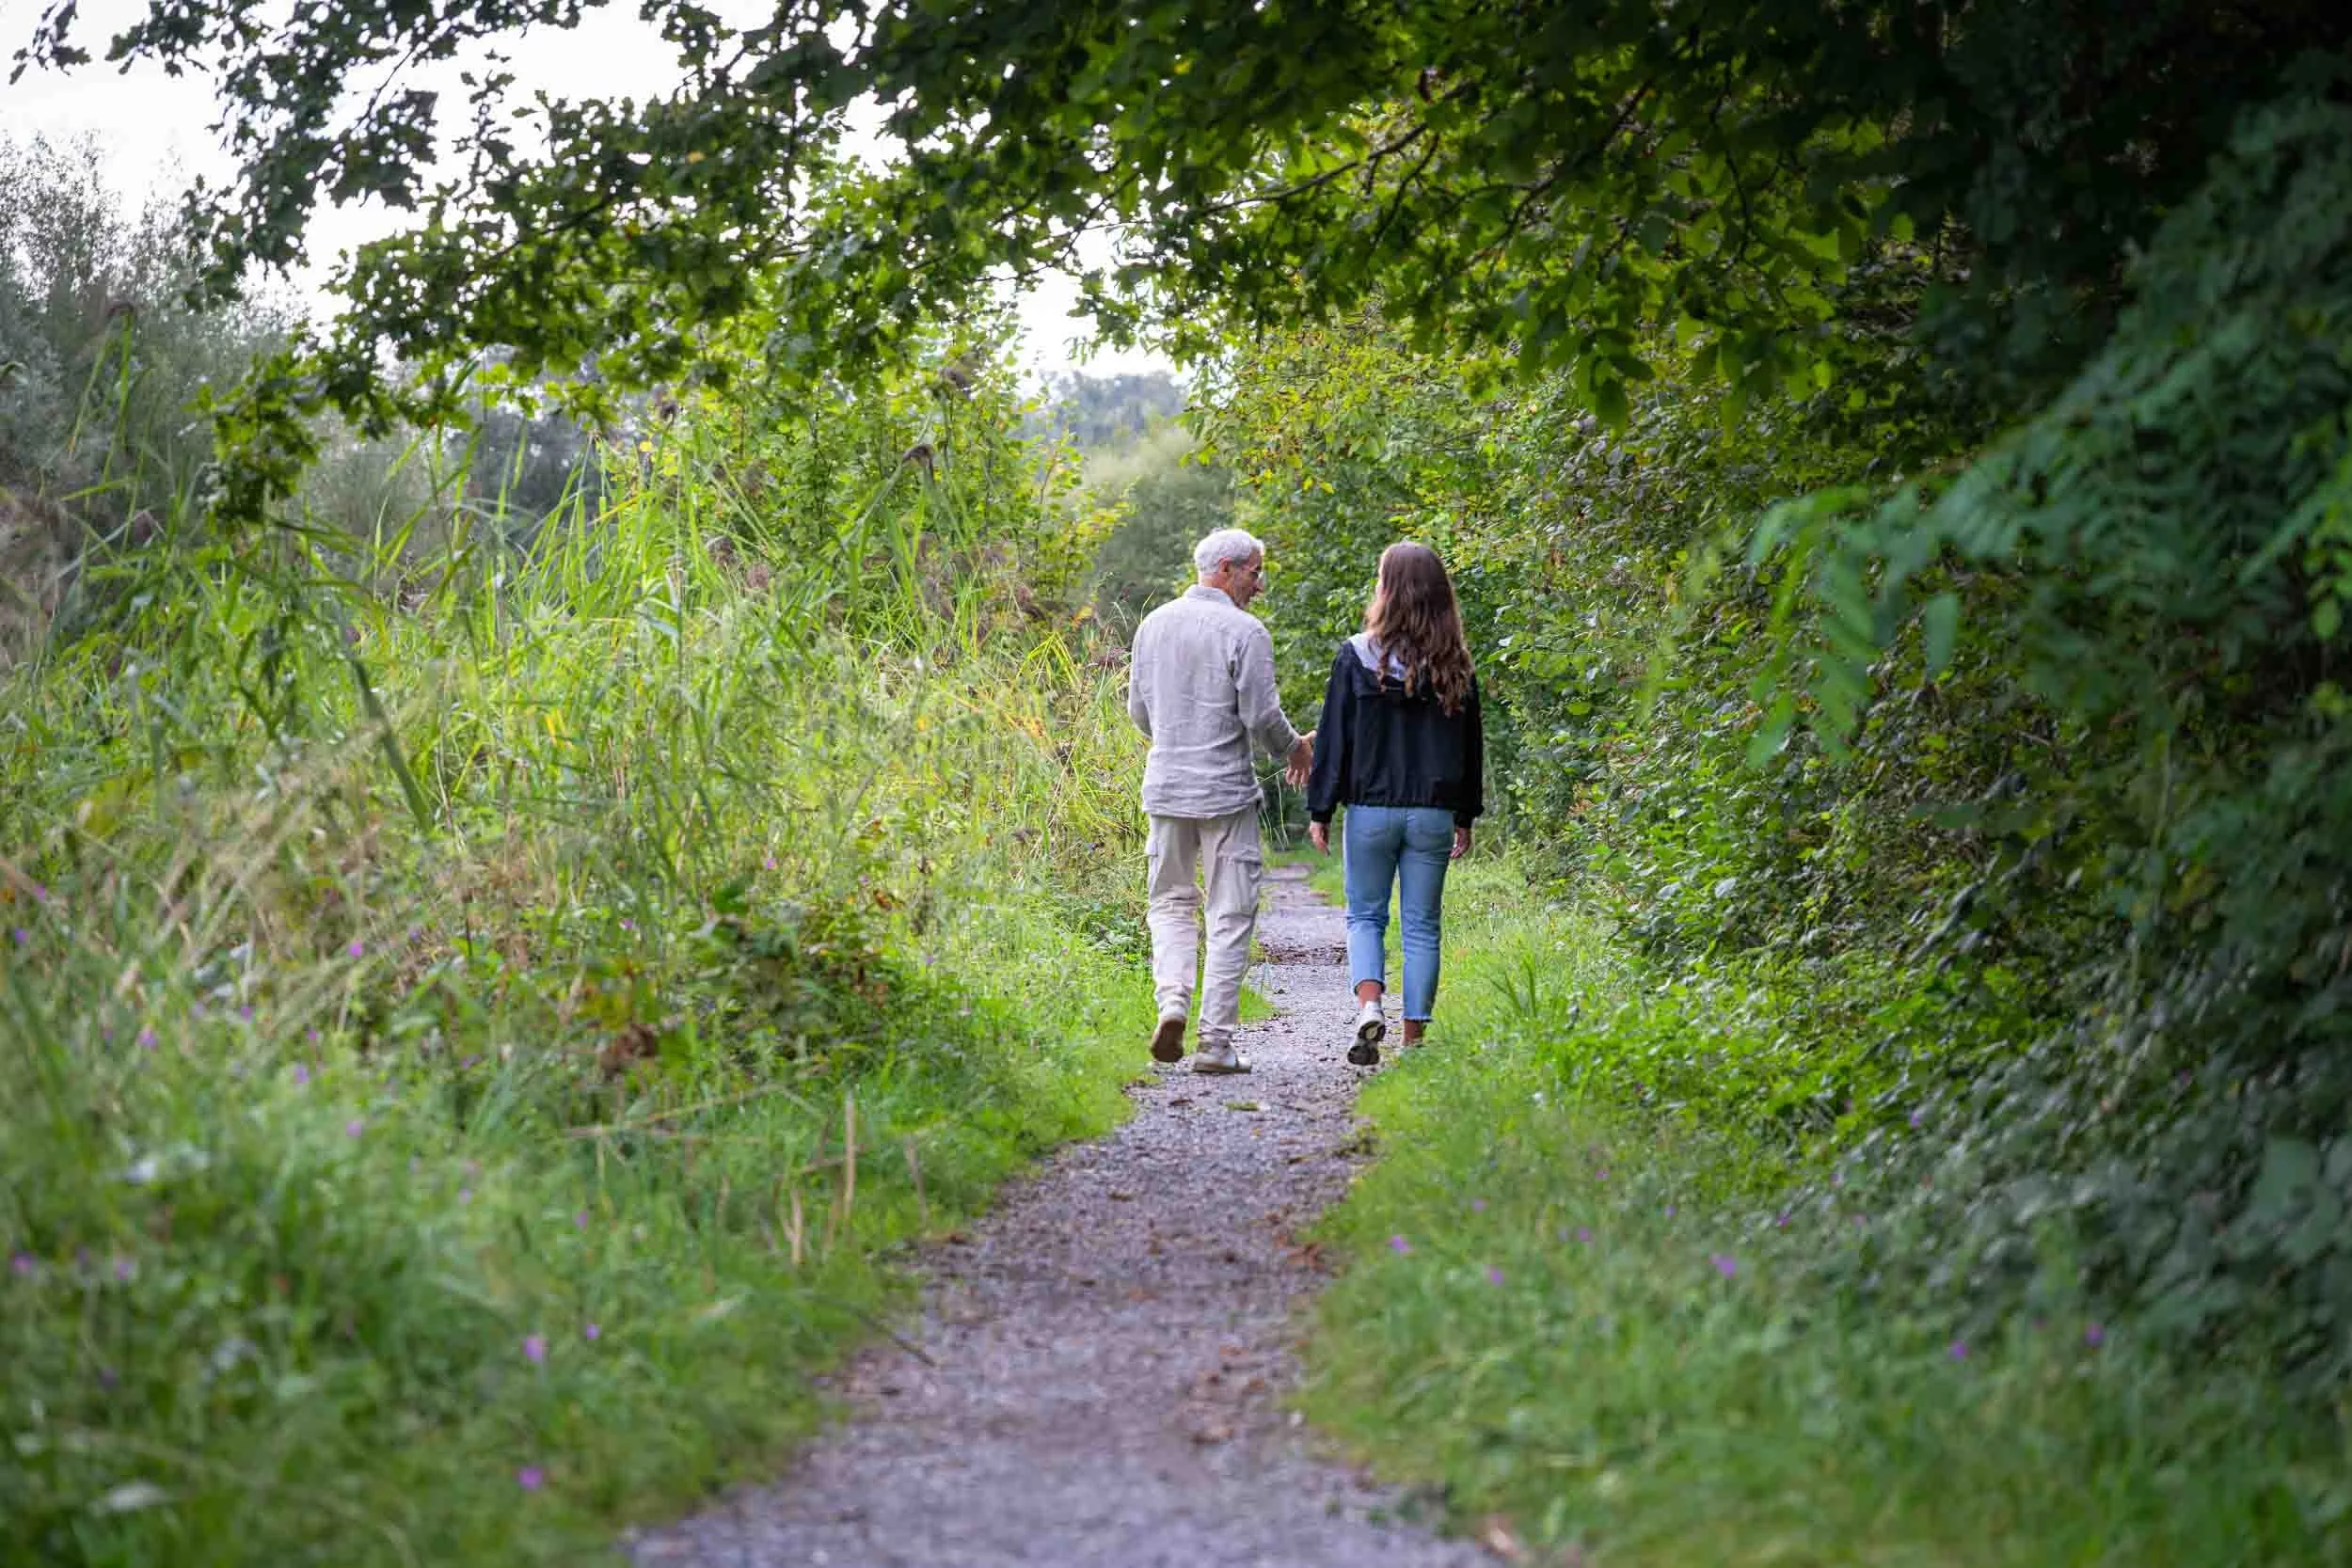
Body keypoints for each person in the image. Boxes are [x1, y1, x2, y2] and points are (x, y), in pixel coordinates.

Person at [1126, 527, 1315, 1074]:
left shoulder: (1152, 625)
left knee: (1169, 904)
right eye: (1255, 573)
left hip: (1165, 789)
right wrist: (1295, 751)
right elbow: (1261, 716)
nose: (1260, 585)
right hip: (1226, 793)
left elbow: (1140, 713)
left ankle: (1172, 1004)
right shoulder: (1246, 631)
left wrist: (1177, 736)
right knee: (1229, 914)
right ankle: (1215, 1044)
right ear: (1227, 569)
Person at [1305, 541, 1484, 1066]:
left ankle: (1369, 1006)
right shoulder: (1457, 665)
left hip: (1370, 811)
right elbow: (1472, 747)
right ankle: (1414, 1042)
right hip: (1431, 813)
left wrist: (1321, 808)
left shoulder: (1355, 655)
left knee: (1365, 916)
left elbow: (1336, 739)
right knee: (1423, 925)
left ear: (1387, 590)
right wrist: (1465, 815)